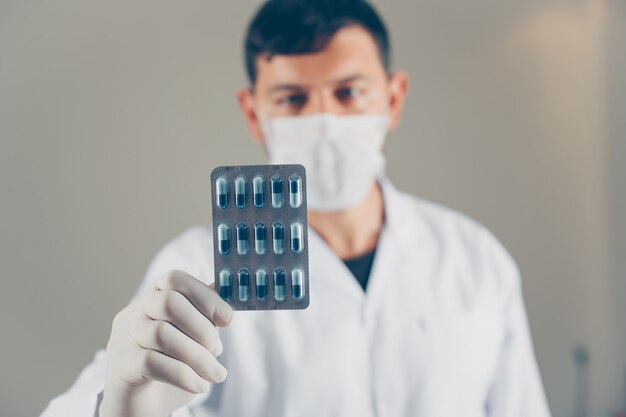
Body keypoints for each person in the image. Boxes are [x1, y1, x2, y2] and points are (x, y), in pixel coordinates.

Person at [40, 1, 551, 416]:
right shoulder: (193, 266)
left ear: (393, 100)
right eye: (293, 99)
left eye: (349, 92)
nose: (325, 120)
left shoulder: (477, 261)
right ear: (253, 113)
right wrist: (122, 407)